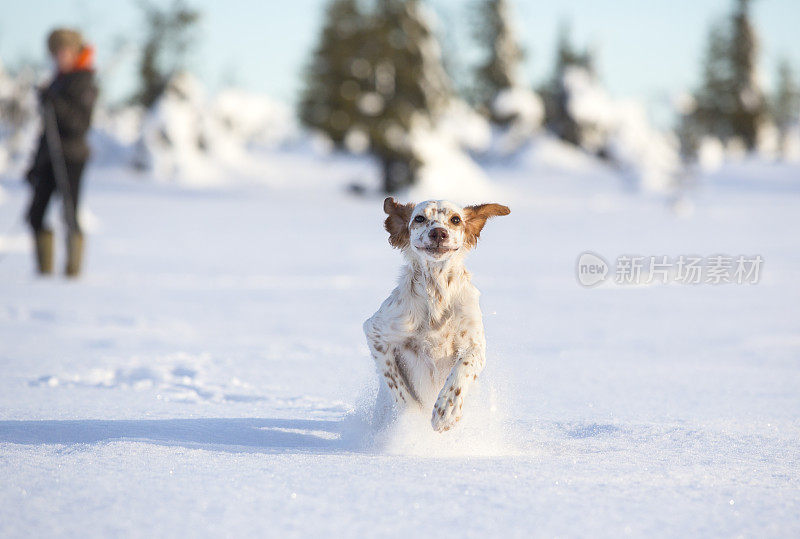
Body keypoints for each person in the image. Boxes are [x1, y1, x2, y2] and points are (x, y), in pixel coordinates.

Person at [26, 28, 97, 277]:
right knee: (35, 214)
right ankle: (44, 272)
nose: (61, 57)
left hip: (72, 157)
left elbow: (79, 124)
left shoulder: (84, 82)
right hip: (48, 157)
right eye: (57, 53)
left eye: (65, 52)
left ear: (75, 52)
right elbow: (47, 130)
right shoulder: (57, 81)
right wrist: (34, 163)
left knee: (69, 213)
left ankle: (72, 273)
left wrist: (56, 104)